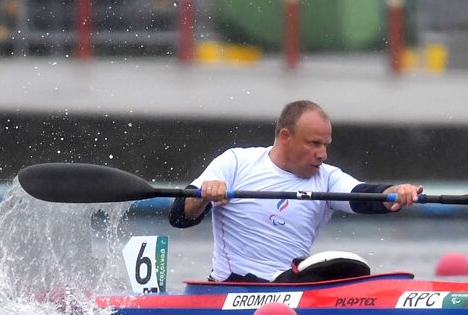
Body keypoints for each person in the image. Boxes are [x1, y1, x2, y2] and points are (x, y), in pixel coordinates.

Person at [169, 100, 422, 283]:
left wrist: (394, 192)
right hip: (232, 287)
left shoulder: (328, 177)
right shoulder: (236, 163)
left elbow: (363, 196)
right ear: (285, 136)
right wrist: (202, 195)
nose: (322, 153)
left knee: (349, 266)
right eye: (314, 143)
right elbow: (179, 217)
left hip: (291, 285)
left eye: (325, 145)